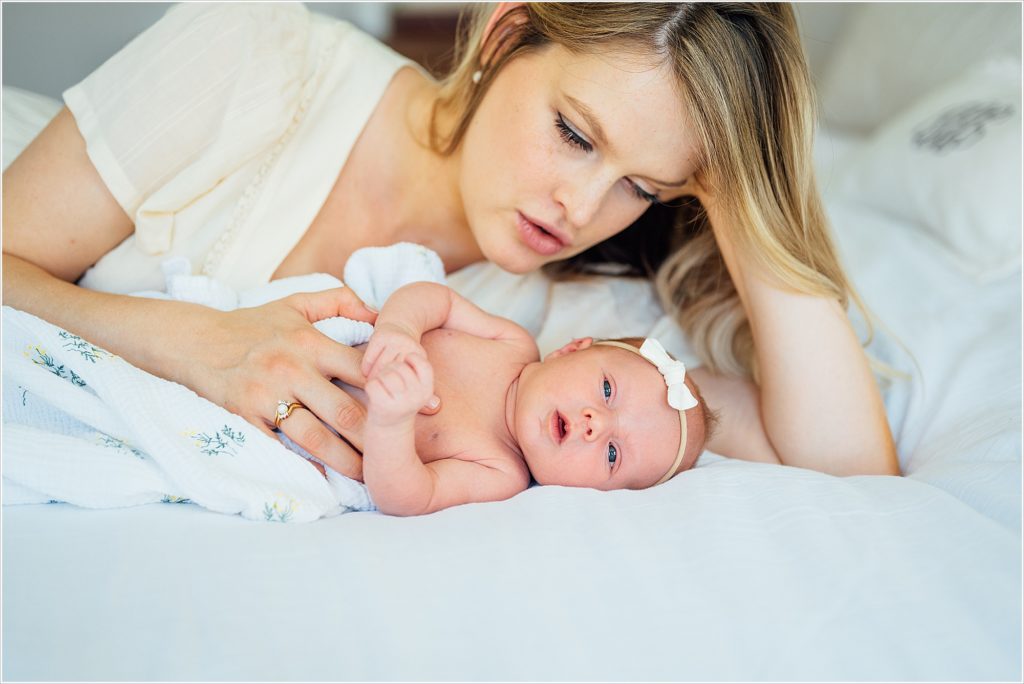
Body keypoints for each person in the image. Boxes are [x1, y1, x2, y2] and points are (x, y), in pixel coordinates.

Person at [2, 2, 900, 484]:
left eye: (643, 185)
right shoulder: (249, 54)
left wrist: (739, 179)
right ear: (507, 33)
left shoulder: (579, 325)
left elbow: (853, 471)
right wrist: (194, 344)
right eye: (575, 134)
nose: (580, 208)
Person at [355, 281, 711, 516]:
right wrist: (399, 329)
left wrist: (391, 422)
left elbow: (409, 496)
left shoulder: (500, 472)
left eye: (613, 454)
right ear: (570, 349)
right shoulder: (511, 343)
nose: (595, 424)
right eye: (606, 390)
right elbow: (438, 301)